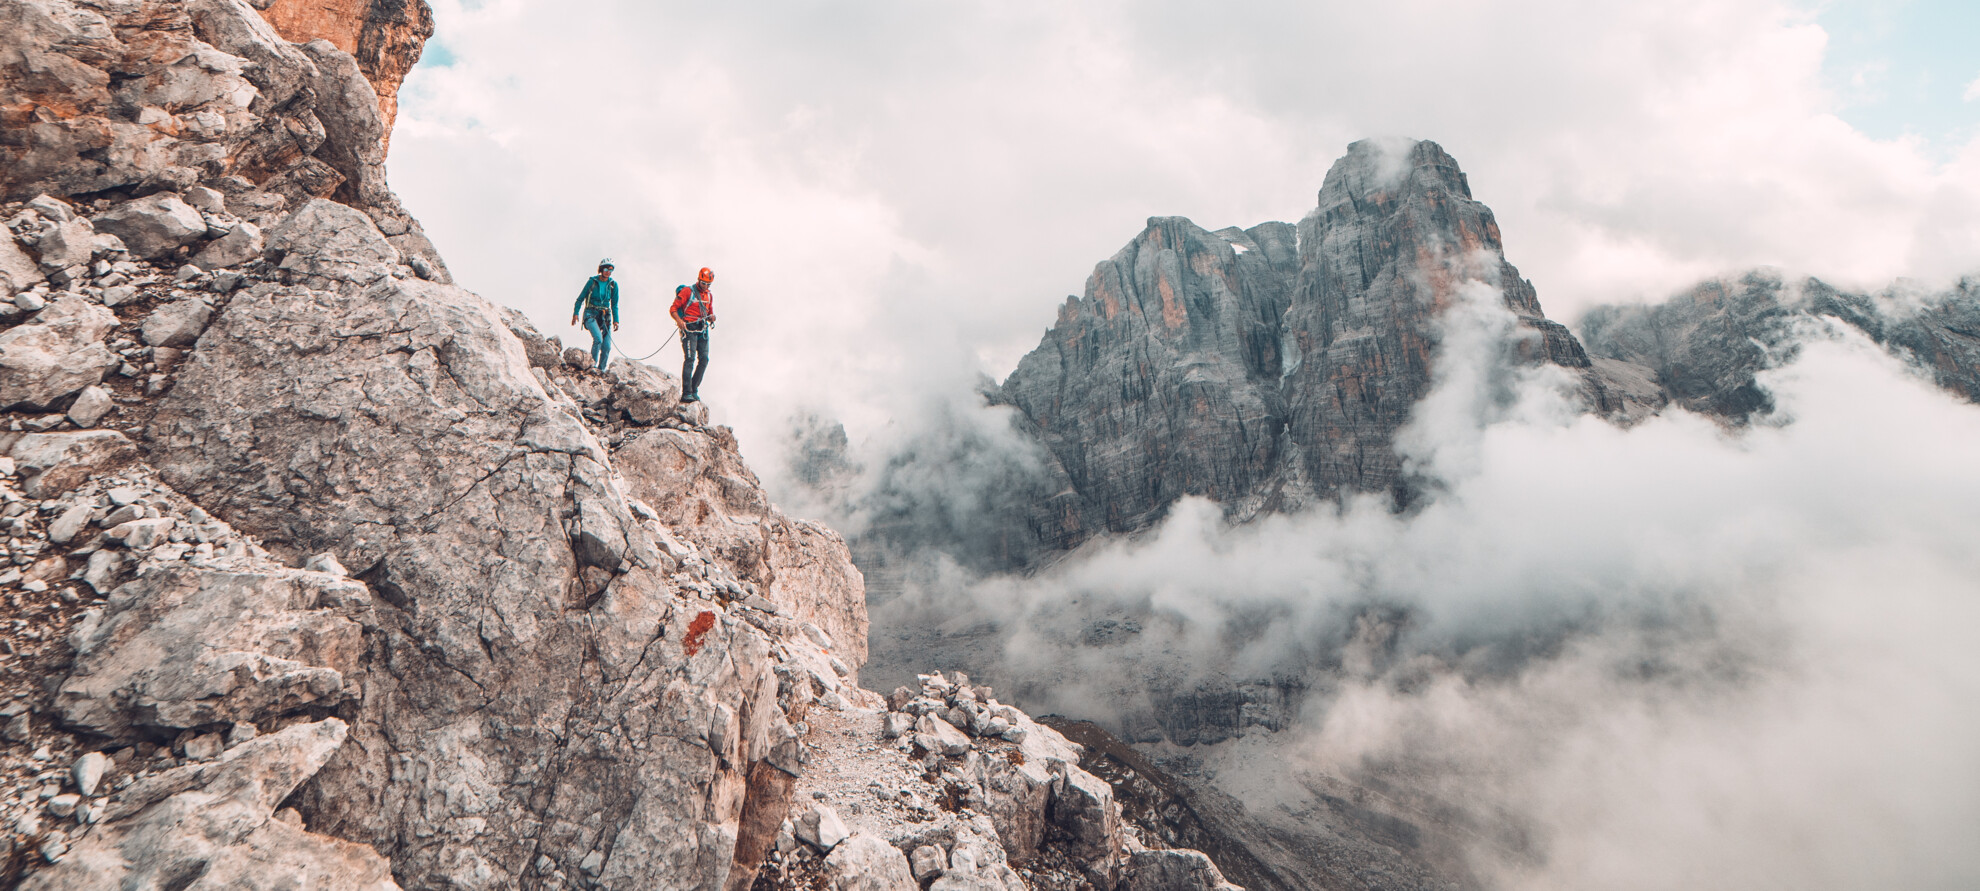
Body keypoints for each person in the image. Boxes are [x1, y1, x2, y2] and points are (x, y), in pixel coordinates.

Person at [670, 267, 717, 402]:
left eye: (708, 284)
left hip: (702, 329)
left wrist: (711, 317)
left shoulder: (709, 295)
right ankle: (687, 393)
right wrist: (679, 321)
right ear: (699, 280)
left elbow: (709, 313)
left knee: (704, 359)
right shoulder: (687, 291)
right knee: (690, 359)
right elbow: (673, 308)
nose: (706, 286)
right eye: (704, 283)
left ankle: (694, 388)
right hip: (689, 328)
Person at [570, 258, 620, 373]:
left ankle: (601, 370)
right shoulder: (592, 282)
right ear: (601, 269)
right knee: (598, 339)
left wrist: (616, 320)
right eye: (606, 269)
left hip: (605, 317)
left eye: (611, 270)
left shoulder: (613, 285)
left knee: (607, 346)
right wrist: (576, 313)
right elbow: (580, 299)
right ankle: (591, 366)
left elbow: (614, 305)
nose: (608, 272)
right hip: (590, 314)